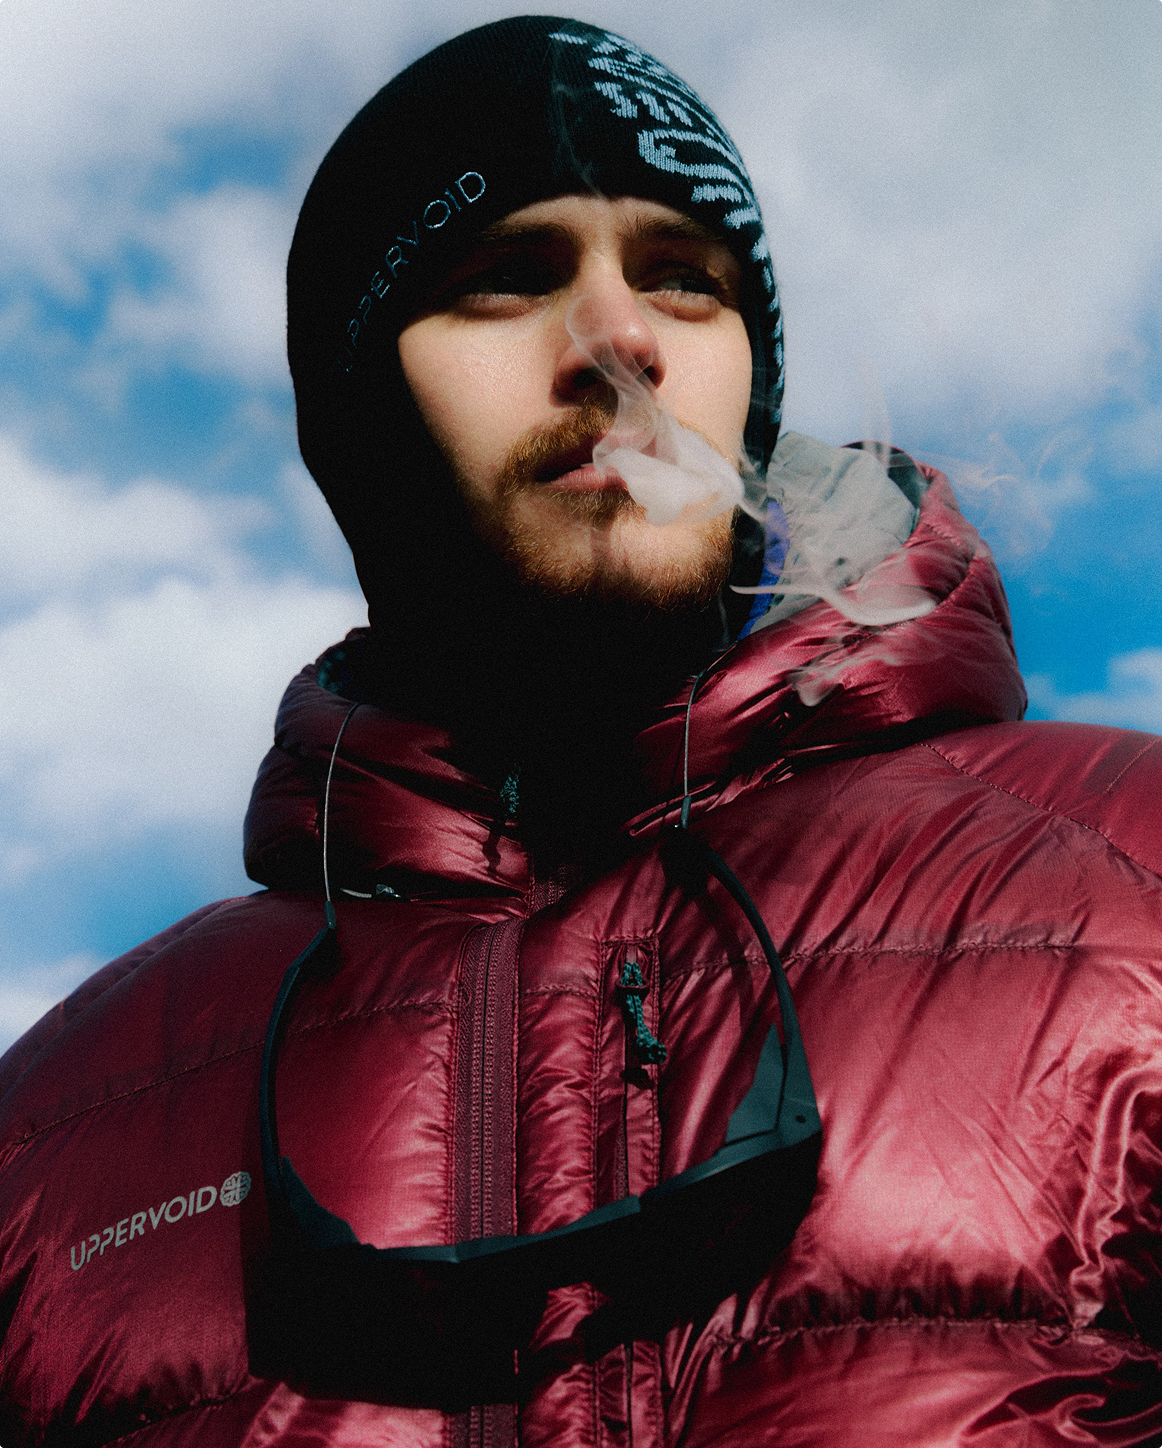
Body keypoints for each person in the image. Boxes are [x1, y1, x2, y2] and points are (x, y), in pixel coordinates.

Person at [1, 15, 1161, 1447]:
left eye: (685, 279)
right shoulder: (47, 1130)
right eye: (503, 281)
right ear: (361, 411)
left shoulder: (1133, 872)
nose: (619, 339)